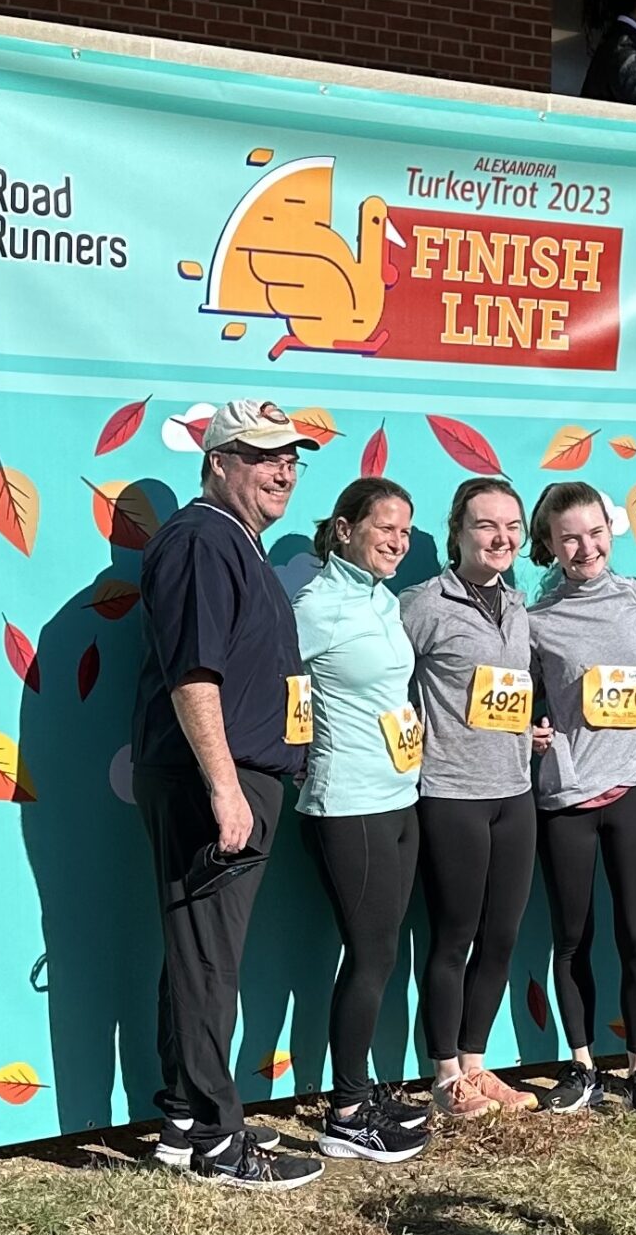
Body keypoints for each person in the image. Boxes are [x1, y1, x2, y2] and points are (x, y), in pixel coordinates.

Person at [132, 399, 325, 1190]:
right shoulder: (203, 538)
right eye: (260, 455)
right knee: (210, 960)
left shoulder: (232, 541)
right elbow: (194, 672)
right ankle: (218, 1137)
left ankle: (183, 1115)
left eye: (290, 457)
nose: (281, 469)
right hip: (215, 776)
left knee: (199, 954)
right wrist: (224, 786)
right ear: (217, 461)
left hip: (239, 774)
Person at [292, 478, 432, 1165]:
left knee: (382, 949)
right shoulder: (314, 606)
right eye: (386, 527)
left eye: (406, 531)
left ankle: (362, 1092)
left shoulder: (382, 599)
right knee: (370, 953)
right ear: (344, 528)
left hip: (400, 795)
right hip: (346, 801)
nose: (399, 542)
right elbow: (268, 684)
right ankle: (345, 1112)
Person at [525, 482, 636, 1118]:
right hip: (566, 797)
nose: (585, 547)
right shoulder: (535, 621)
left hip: (634, 786)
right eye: (569, 538)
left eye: (594, 533)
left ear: (611, 531)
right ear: (549, 546)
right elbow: (523, 700)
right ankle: (581, 1065)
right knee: (572, 939)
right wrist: (533, 730)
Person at [399, 479, 540, 1118]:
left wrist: (532, 726)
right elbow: (384, 683)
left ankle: (478, 1066)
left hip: (516, 791)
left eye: (511, 526)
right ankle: (444, 1074)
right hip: (451, 794)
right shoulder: (423, 605)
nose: (501, 537)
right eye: (487, 525)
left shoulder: (520, 605)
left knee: (502, 935)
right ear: (458, 531)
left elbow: (509, 690)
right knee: (453, 936)